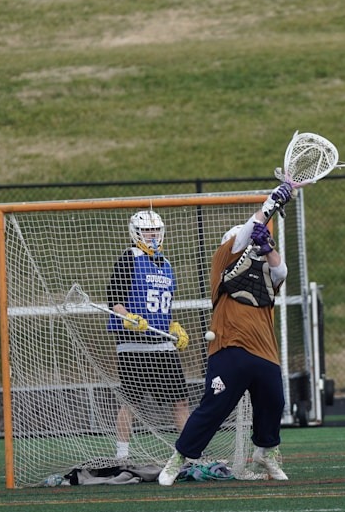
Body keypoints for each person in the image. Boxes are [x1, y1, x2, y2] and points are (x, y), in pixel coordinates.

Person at [158, 183, 295, 486]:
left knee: (274, 402)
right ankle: (179, 458)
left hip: (264, 352)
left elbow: (281, 271)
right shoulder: (223, 261)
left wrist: (268, 248)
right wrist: (273, 199)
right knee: (214, 408)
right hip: (228, 348)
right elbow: (248, 229)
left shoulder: (266, 272)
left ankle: (266, 453)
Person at [106, 210, 191, 459]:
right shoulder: (129, 258)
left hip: (163, 345)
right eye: (147, 230)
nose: (152, 235)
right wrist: (128, 317)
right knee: (131, 403)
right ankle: (121, 455)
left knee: (181, 401)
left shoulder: (166, 264)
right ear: (136, 233)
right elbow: (114, 299)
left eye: (155, 230)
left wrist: (174, 327)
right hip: (134, 346)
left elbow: (163, 306)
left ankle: (188, 454)